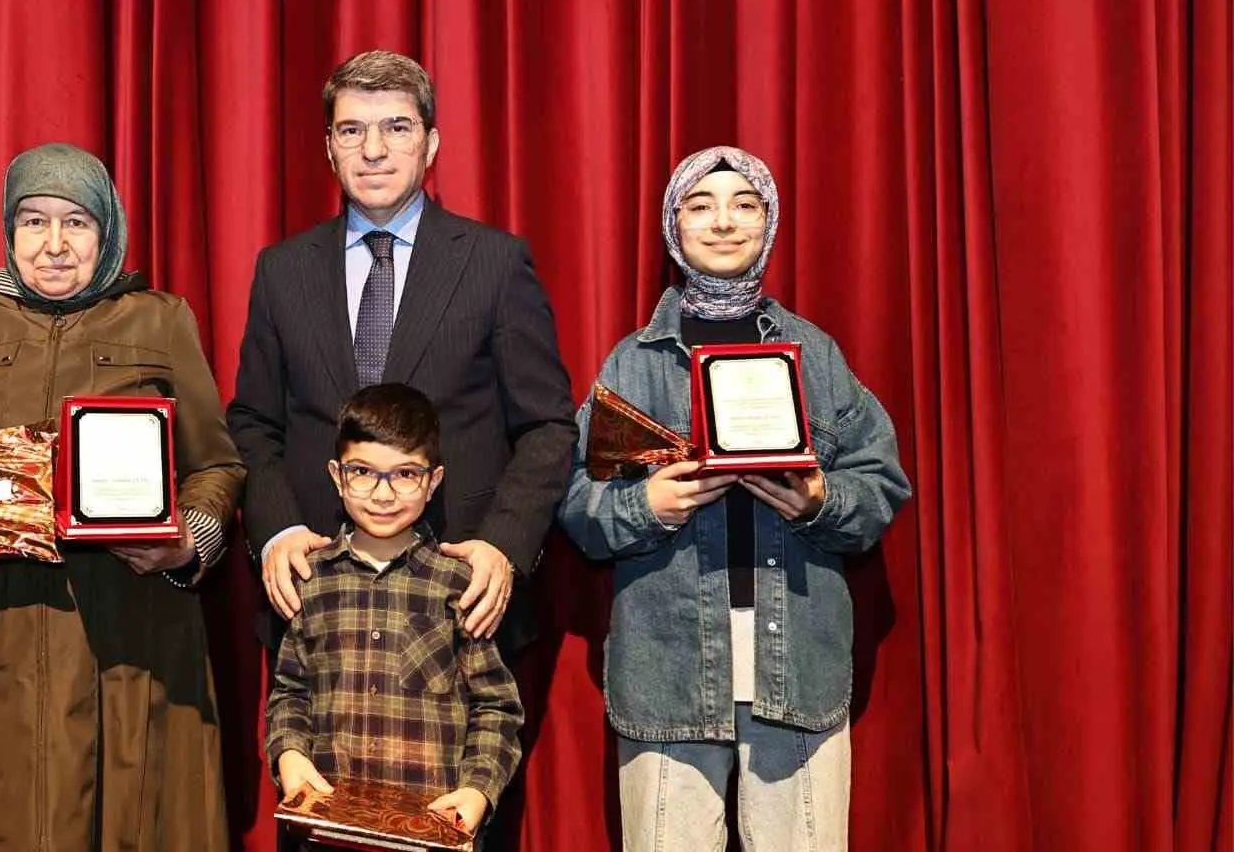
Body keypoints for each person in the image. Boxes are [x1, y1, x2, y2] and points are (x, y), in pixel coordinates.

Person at [0, 142, 245, 852]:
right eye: (33, 220)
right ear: (8, 230)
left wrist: (185, 541)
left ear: (108, 231)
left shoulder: (160, 319)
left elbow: (217, 465)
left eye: (76, 222)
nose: (53, 244)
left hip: (128, 636)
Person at [557, 146, 912, 852]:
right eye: (701, 205)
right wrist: (647, 505)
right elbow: (575, 505)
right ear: (673, 225)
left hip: (797, 663)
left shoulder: (816, 353)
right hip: (667, 667)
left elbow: (882, 484)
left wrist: (818, 500)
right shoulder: (633, 361)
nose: (723, 222)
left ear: (769, 222)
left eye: (744, 204)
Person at [227, 50, 577, 659]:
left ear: (431, 144)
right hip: (317, 597)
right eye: (352, 130)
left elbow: (547, 426)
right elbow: (254, 423)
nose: (373, 150)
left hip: (461, 597)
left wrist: (504, 545)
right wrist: (277, 528)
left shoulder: (495, 264)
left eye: (397, 127)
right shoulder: (282, 270)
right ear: (328, 147)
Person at [266, 383, 523, 848]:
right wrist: (289, 755)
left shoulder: (459, 585)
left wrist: (477, 790)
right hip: (328, 830)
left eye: (405, 474)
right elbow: (290, 692)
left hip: (432, 832)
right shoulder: (313, 580)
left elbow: (497, 706)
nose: (382, 494)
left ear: (434, 480)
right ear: (336, 475)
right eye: (362, 471)